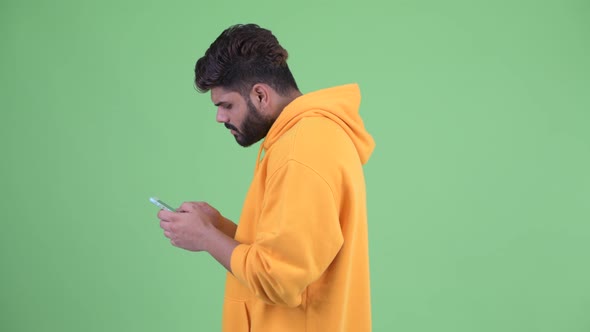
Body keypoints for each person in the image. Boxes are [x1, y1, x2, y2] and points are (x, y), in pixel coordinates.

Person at [157, 23, 375, 331]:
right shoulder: (307, 138)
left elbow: (278, 280)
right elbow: (288, 258)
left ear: (260, 94)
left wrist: (206, 237)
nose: (220, 117)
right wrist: (217, 226)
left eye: (226, 105)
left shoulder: (302, 151)